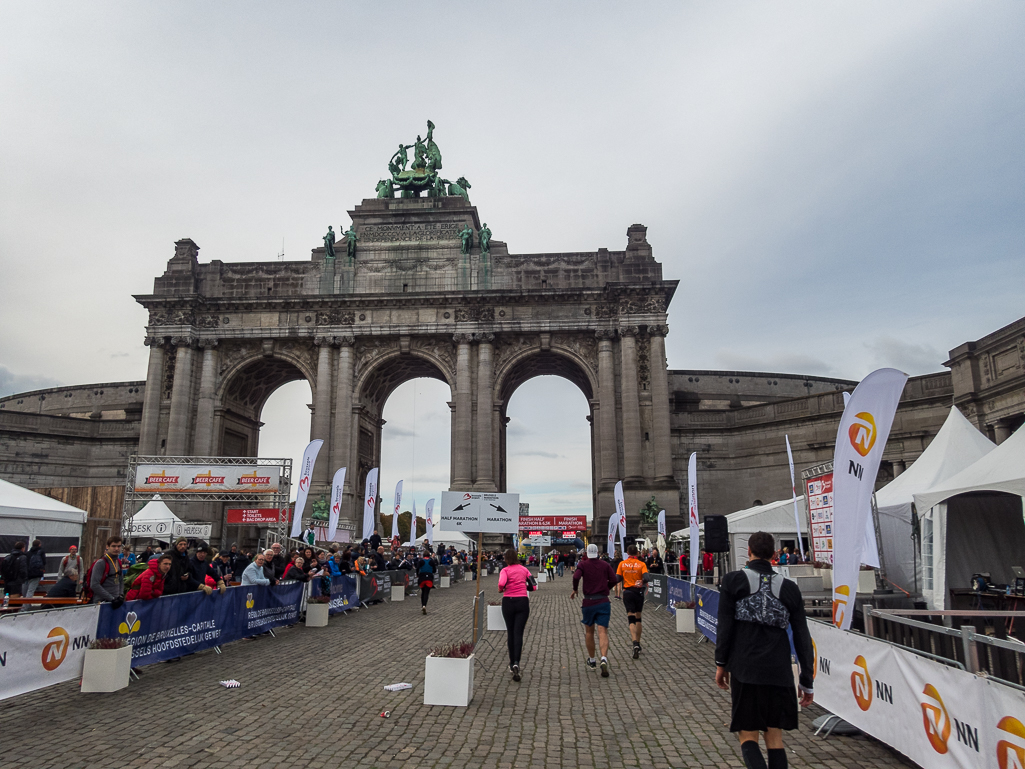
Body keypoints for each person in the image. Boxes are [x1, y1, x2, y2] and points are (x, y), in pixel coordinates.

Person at [715, 531, 814, 769]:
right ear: (774, 555)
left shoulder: (732, 581)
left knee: (747, 733)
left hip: (745, 667)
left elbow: (725, 626)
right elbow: (802, 636)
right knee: (774, 735)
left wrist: (721, 664)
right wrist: (806, 679)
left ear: (748, 551)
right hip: (778, 669)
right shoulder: (790, 588)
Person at [571, 543, 619, 677]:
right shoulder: (605, 565)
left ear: (586, 553)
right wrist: (607, 588)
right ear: (598, 552)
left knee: (589, 631)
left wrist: (575, 589)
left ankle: (592, 660)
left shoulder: (583, 564)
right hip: (603, 601)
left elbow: (575, 577)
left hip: (589, 601)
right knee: (603, 630)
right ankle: (603, 658)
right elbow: (614, 579)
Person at [498, 547, 533, 682]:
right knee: (519, 633)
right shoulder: (524, 569)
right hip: (522, 601)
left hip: (508, 601)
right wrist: (525, 586)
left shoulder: (505, 570)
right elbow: (534, 586)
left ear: (506, 559)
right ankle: (517, 662)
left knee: (510, 632)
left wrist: (501, 589)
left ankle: (512, 663)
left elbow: (501, 583)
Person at [616, 544, 651, 659]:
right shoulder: (642, 564)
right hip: (638, 592)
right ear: (637, 553)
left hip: (627, 592)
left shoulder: (622, 564)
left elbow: (617, 579)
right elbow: (647, 577)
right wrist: (641, 581)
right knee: (638, 617)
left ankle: (634, 642)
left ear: (627, 553)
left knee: (631, 618)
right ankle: (639, 643)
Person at [88, 537, 125, 606]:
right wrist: (111, 599)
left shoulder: (118, 562)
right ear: (107, 547)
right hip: (102, 603)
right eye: (113, 546)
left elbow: (121, 580)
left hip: (115, 601)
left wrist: (121, 595)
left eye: (119, 546)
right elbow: (94, 585)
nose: (116, 549)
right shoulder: (101, 563)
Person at [417, 545, 437, 615]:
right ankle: (425, 605)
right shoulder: (431, 561)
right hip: (429, 578)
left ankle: (422, 605)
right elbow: (434, 570)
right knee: (426, 593)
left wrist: (418, 574)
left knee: (423, 592)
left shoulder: (421, 561)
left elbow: (417, 568)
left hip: (422, 578)